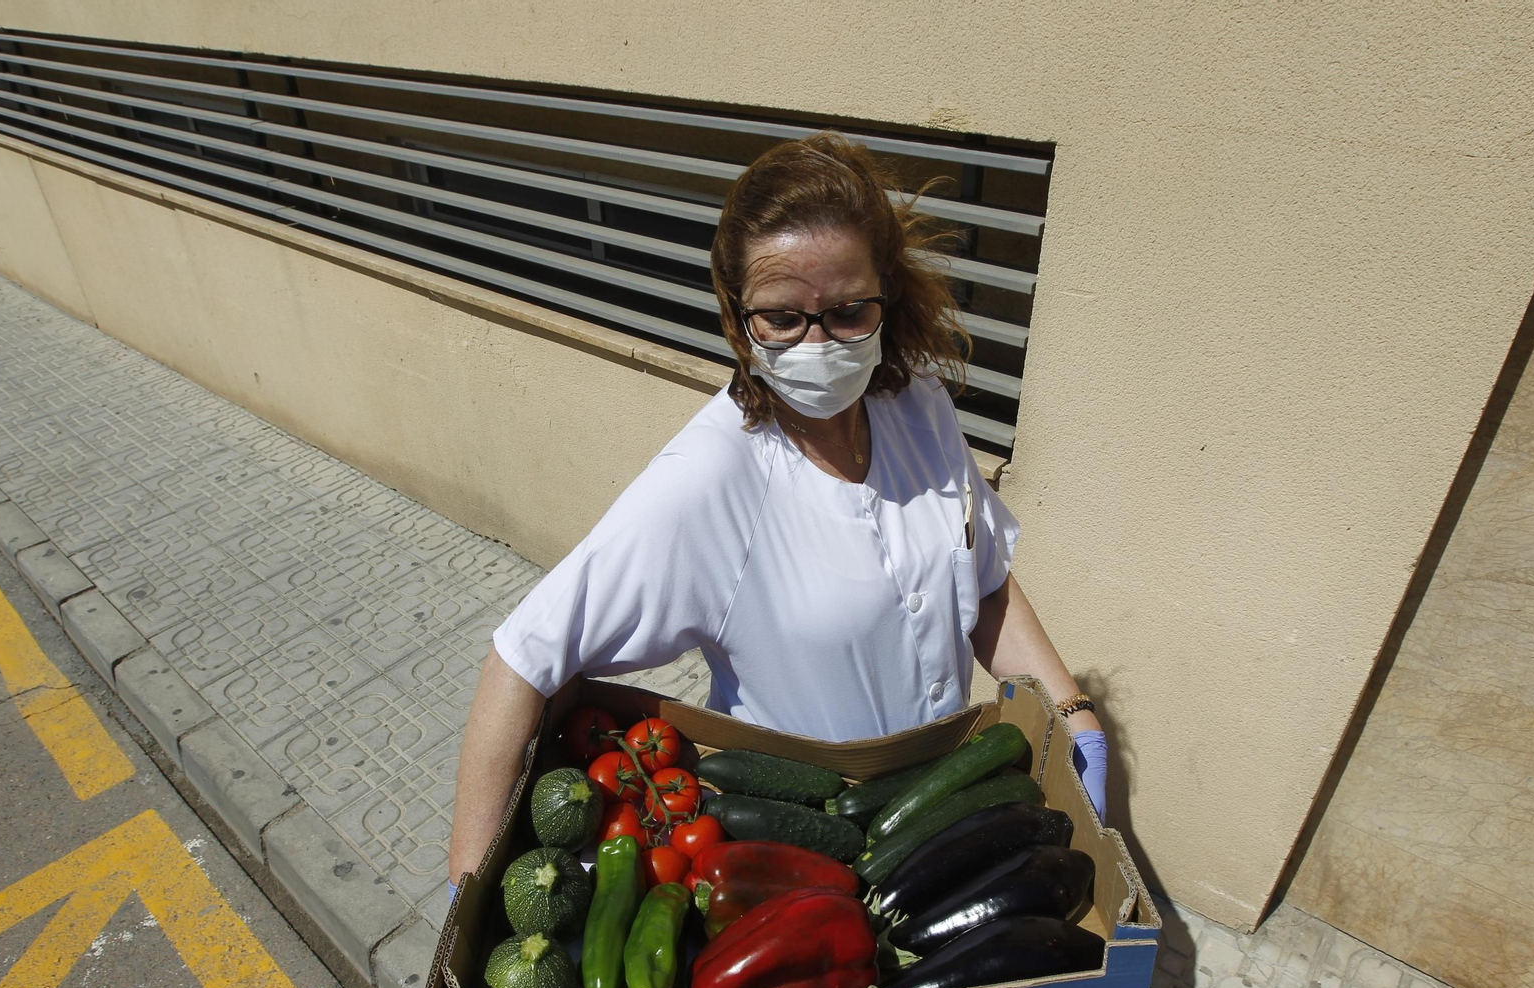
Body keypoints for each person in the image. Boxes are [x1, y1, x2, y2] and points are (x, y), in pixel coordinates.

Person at [447, 131, 1107, 893]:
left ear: (885, 294)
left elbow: (982, 579)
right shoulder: (710, 480)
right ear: (738, 319)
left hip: (938, 821)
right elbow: (525, 656)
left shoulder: (919, 411)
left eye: (849, 311)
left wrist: (1074, 713)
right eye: (783, 318)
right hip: (799, 863)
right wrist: (469, 904)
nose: (818, 341)